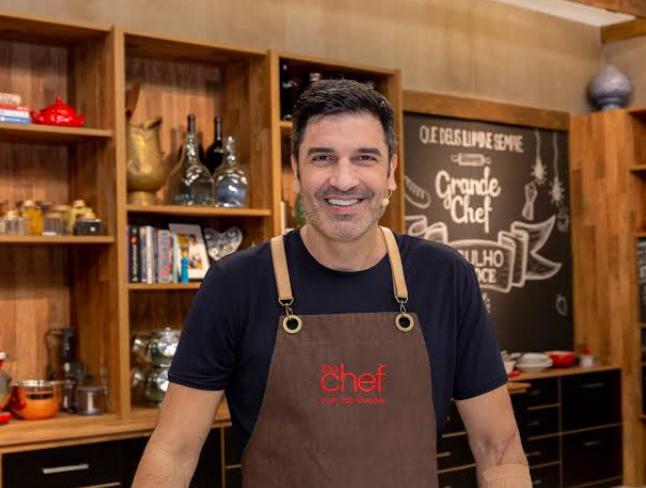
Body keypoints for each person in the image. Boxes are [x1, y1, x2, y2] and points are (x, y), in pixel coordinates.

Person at [132, 79, 530, 487]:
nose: (343, 180)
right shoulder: (234, 285)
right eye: (323, 157)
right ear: (296, 171)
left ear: (391, 171)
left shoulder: (445, 277)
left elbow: (498, 450)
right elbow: (173, 452)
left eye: (364, 158)